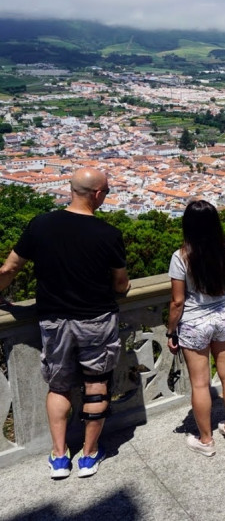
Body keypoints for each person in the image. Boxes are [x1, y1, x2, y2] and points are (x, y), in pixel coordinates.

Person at [0, 168, 130, 479]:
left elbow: (10, 269)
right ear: (97, 194)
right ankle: (88, 455)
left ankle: (60, 457)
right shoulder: (108, 234)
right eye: (107, 192)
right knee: (96, 386)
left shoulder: (40, 225)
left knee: (58, 386)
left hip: (54, 321)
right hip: (97, 319)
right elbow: (121, 284)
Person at [167, 200, 225, 456]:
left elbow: (178, 301)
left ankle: (206, 440)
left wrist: (170, 331)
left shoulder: (181, 257)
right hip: (224, 317)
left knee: (200, 384)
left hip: (194, 323)